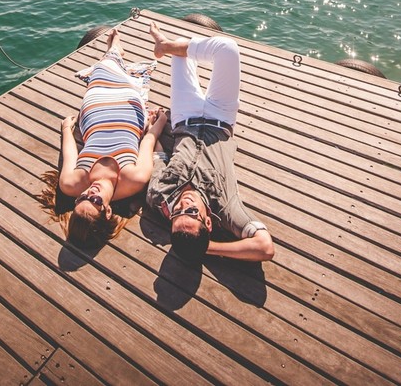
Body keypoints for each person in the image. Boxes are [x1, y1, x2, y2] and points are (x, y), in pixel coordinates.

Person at [145, 21, 275, 264]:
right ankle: (167, 46)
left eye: (177, 213)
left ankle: (165, 45)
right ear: (207, 222)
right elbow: (265, 248)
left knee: (179, 50)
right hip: (220, 117)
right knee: (227, 48)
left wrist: (155, 126)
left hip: (184, 116)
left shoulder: (159, 196)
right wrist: (203, 248)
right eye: (191, 212)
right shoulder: (225, 208)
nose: (183, 204)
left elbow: (159, 158)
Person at [50, 28, 168, 248]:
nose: (89, 193)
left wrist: (66, 129)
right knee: (116, 73)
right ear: (108, 210)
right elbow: (148, 142)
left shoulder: (71, 184)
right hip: (127, 107)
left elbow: (70, 153)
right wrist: (159, 122)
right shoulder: (134, 179)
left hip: (94, 110)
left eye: (81, 198)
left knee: (102, 70)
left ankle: (114, 50)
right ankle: (115, 50)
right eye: (94, 200)